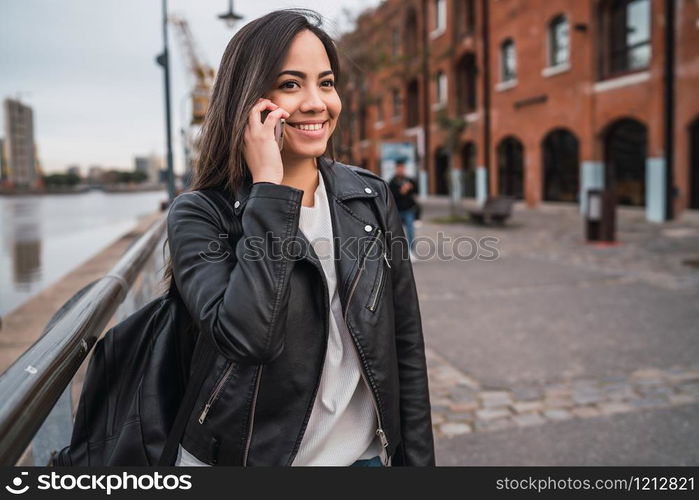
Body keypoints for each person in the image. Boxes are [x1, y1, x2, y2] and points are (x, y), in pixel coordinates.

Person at [163, 9, 434, 466]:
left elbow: (404, 342)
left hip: (365, 459)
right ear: (248, 99)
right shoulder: (200, 214)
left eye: (326, 83)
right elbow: (250, 339)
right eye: (291, 84)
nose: (316, 102)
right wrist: (269, 189)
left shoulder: (369, 197)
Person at [388, 160, 419, 260]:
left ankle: (410, 251)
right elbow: (392, 196)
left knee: (410, 231)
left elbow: (415, 191)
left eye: (402, 168)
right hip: (397, 211)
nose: (400, 170)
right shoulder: (392, 182)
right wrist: (402, 191)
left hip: (409, 210)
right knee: (397, 232)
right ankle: (398, 252)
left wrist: (410, 188)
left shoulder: (409, 180)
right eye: (398, 168)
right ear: (396, 169)